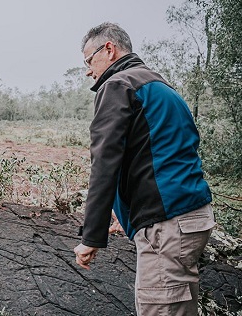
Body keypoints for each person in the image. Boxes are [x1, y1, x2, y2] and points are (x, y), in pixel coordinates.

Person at [73, 22, 214, 315]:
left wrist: (91, 236)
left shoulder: (118, 85)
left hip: (166, 223)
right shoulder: (158, 85)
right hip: (192, 216)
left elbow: (104, 164)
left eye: (89, 60)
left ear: (109, 49)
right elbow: (156, 152)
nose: (88, 70)